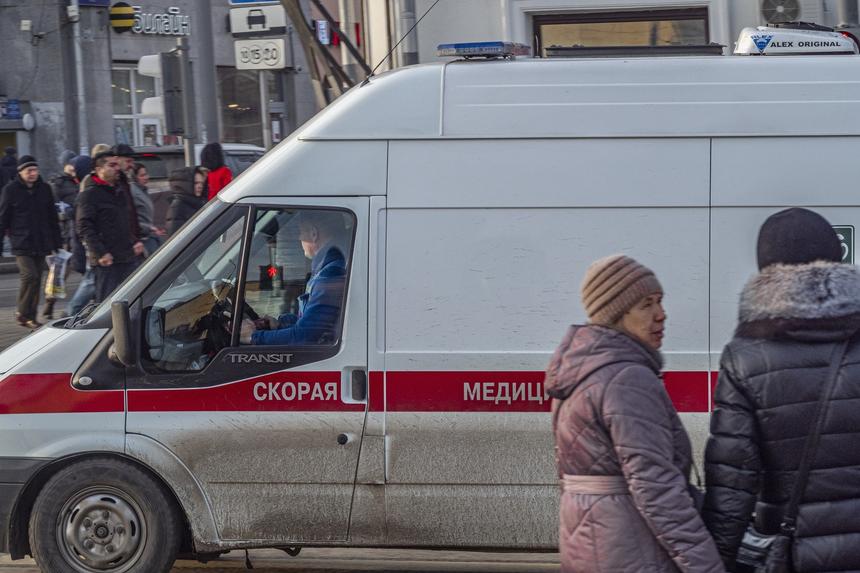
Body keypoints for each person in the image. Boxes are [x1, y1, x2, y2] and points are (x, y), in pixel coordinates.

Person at [703, 208, 860, 572]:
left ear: (765, 270)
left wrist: (716, 559)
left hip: (795, 554)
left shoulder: (745, 358)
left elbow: (732, 485)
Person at [545, 254, 723, 573]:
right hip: (633, 550)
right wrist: (706, 566)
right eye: (646, 305)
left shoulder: (577, 373)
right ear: (616, 314)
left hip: (588, 544)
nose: (661, 315)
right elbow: (657, 490)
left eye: (660, 301)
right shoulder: (628, 379)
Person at [241, 211, 347, 346]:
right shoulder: (329, 267)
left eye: (301, 232)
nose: (299, 238)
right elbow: (314, 323)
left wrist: (252, 337)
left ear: (314, 234)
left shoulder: (331, 274)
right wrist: (280, 324)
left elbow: (305, 336)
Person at [0, 155, 62, 328]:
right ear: (20, 172)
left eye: (35, 170)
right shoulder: (10, 190)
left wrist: (57, 242)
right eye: (29, 170)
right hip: (21, 242)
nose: (33, 173)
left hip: (41, 241)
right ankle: (22, 311)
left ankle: (31, 317)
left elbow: (52, 218)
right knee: (30, 275)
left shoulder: (44, 189)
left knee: (37, 278)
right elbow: (3, 218)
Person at [76, 151, 144, 303]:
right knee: (107, 302)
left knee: (134, 298)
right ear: (99, 169)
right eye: (111, 165)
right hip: (107, 259)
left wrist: (134, 240)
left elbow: (125, 221)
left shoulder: (119, 191)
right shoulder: (90, 194)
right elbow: (84, 226)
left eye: (117, 165)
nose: (117, 168)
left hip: (127, 255)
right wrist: (100, 253)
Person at [129, 162, 165, 256]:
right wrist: (149, 228)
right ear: (134, 177)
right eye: (142, 175)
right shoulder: (133, 192)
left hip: (147, 237)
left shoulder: (142, 190)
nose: (146, 177)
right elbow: (132, 218)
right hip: (142, 240)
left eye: (146, 174)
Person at [165, 166, 207, 235]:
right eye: (196, 183)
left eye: (202, 183)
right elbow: (175, 236)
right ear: (186, 184)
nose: (200, 186)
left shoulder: (198, 203)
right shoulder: (178, 206)